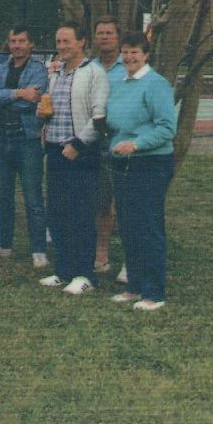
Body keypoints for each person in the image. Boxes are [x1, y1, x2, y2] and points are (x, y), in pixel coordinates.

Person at [106, 31, 177, 311]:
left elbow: (166, 129)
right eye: (125, 51)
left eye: (135, 51)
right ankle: (134, 287)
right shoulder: (120, 83)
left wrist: (136, 144)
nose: (129, 57)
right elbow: (115, 123)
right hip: (122, 164)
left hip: (150, 164)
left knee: (148, 227)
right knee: (128, 226)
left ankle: (154, 292)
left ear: (146, 55)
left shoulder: (157, 85)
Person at [37, 21, 109, 294]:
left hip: (80, 152)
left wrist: (79, 144)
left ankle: (85, 274)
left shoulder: (94, 73)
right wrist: (42, 115)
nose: (62, 47)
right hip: (55, 150)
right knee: (58, 213)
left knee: (80, 213)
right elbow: (48, 107)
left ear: (81, 42)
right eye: (58, 42)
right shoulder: (55, 73)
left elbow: (100, 116)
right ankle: (63, 270)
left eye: (67, 41)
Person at [0, 25, 49, 269]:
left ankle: (38, 248)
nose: (16, 45)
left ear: (31, 44)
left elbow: (33, 103)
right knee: (2, 195)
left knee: (32, 197)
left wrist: (6, 99)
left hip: (26, 139)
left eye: (21, 41)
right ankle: (2, 243)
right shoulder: (0, 68)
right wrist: (18, 93)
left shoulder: (38, 70)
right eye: (13, 41)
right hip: (2, 138)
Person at [92, 16, 129, 283]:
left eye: (109, 33)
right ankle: (101, 255)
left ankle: (131, 259)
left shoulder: (128, 67)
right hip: (95, 142)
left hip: (123, 143)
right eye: (100, 33)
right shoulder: (90, 68)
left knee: (127, 204)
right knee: (101, 203)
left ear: (118, 37)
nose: (104, 37)